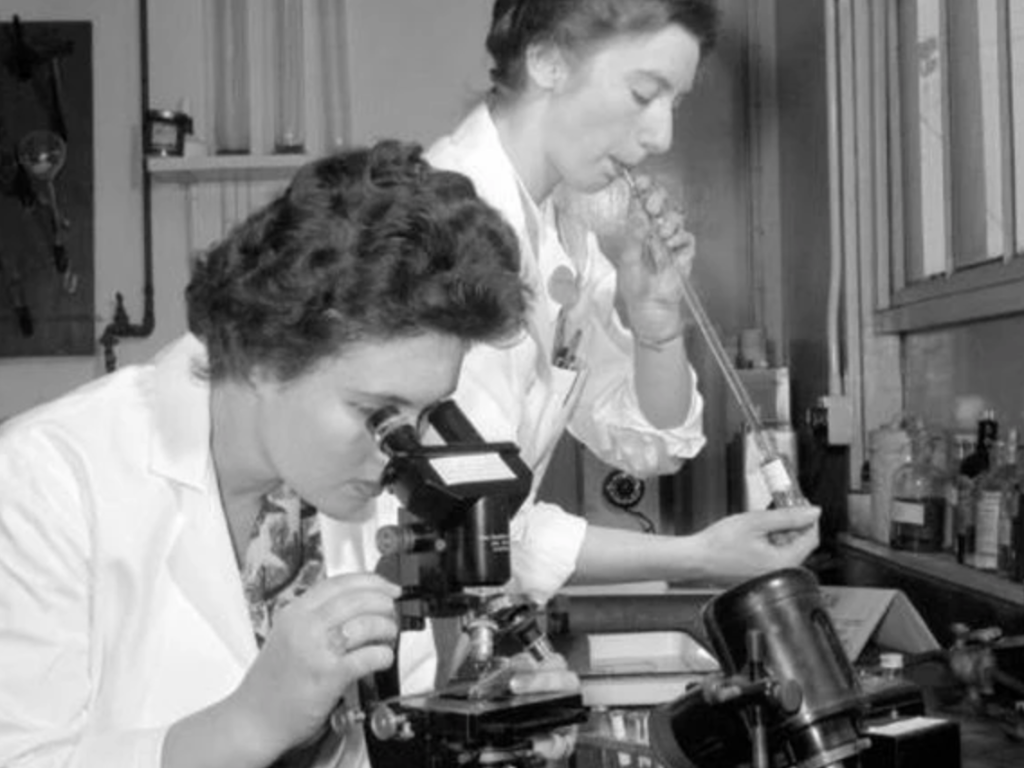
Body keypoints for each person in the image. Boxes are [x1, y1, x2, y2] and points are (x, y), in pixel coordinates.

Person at [0, 141, 533, 768]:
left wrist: (480, 706)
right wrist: (248, 724)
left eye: (426, 414)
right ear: (262, 356)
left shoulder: (342, 484)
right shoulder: (46, 480)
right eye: (376, 414)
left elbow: (393, 721)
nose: (401, 456)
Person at [417, 0, 821, 606]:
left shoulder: (562, 231)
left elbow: (646, 444)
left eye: (674, 104)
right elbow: (483, 520)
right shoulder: (447, 231)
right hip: (392, 616)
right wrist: (701, 555)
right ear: (550, 60)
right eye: (643, 93)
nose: (661, 136)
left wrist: (657, 326)